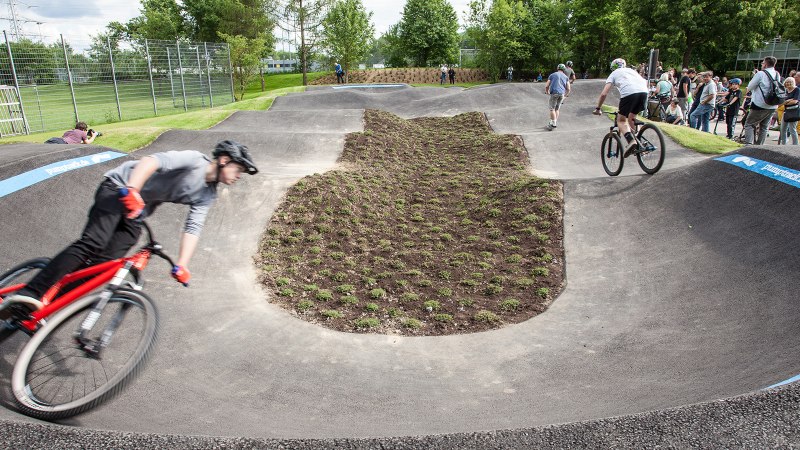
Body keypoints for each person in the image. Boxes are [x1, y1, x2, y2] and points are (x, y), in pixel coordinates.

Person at [0, 141, 258, 313]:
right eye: (238, 170)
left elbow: (194, 226)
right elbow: (150, 161)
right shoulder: (193, 161)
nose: (238, 177)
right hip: (118, 188)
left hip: (135, 212)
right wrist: (132, 189)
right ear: (224, 160)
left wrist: (183, 263)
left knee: (103, 265)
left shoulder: (208, 195)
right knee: (93, 242)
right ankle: (30, 291)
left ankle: (45, 305)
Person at [593, 58, 649, 155]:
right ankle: (639, 141)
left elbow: (604, 94)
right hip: (644, 92)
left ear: (613, 67)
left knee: (621, 120)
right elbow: (644, 81)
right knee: (632, 117)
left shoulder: (614, 74)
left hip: (629, 94)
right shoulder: (632, 71)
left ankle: (631, 141)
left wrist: (598, 108)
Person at [745, 56, 781, 145]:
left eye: (762, 63)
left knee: (749, 124)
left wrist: (755, 76)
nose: (762, 64)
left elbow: (750, 87)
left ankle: (748, 145)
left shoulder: (761, 74)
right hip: (772, 104)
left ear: (765, 64)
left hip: (760, 103)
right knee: (764, 127)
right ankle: (759, 146)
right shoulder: (777, 74)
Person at [545, 64, 571, 130]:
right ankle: (552, 122)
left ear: (557, 68)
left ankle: (553, 124)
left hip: (554, 93)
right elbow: (568, 88)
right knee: (557, 109)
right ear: (564, 69)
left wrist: (547, 91)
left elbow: (547, 85)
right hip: (562, 94)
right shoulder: (566, 77)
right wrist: (565, 95)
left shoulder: (552, 75)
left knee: (552, 109)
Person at [778, 77, 799, 145]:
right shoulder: (785, 90)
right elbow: (781, 102)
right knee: (783, 129)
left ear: (793, 82)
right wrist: (787, 101)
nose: (788, 83)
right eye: (787, 82)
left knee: (792, 129)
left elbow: (795, 101)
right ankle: (784, 144)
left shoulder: (797, 90)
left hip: (794, 112)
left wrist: (786, 102)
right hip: (786, 111)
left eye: (790, 82)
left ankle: (795, 145)